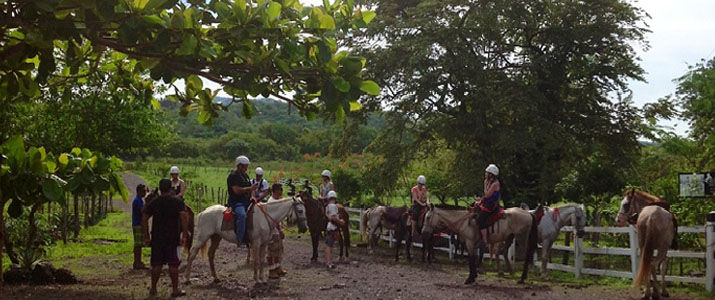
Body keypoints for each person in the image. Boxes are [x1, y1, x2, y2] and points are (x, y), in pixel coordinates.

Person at [142, 179, 189, 298]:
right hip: (172, 237)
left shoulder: (154, 202)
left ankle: (153, 289)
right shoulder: (177, 202)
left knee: (156, 264)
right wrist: (184, 235)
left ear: (160, 188)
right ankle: (175, 289)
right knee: (173, 265)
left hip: (157, 237)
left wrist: (146, 236)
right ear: (171, 188)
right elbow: (184, 218)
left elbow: (144, 218)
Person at [227, 155, 258, 247]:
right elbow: (236, 190)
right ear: (239, 166)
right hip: (237, 202)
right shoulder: (233, 176)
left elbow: (251, 189)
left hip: (246, 200)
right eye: (245, 166)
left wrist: (253, 196)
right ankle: (240, 239)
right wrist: (250, 188)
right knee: (242, 215)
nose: (247, 168)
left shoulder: (245, 176)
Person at [474, 164, 501, 249]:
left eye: (487, 173)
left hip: (491, 205)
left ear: (491, 175)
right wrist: (480, 200)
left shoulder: (495, 184)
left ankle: (484, 241)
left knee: (480, 219)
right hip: (486, 202)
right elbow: (485, 195)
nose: (485, 174)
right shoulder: (486, 181)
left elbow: (488, 195)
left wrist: (481, 199)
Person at [266, 183, 286, 279]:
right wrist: (280, 230)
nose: (281, 191)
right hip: (273, 230)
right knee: (272, 251)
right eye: (280, 189)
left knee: (279, 250)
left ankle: (278, 267)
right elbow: (275, 219)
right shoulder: (272, 202)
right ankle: (271, 270)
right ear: (276, 191)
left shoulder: (277, 201)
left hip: (277, 230)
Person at [324, 191, 344, 269]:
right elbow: (333, 217)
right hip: (333, 227)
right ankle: (328, 262)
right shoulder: (332, 206)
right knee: (329, 246)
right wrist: (340, 222)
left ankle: (329, 262)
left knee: (329, 245)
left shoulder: (328, 206)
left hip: (330, 226)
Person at [132, 184, 148, 270]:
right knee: (138, 244)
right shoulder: (137, 201)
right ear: (139, 191)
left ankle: (138, 261)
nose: (145, 193)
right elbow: (143, 211)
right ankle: (137, 262)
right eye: (143, 191)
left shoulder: (140, 200)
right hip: (137, 224)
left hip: (139, 224)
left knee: (139, 244)